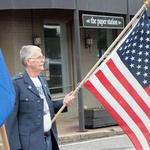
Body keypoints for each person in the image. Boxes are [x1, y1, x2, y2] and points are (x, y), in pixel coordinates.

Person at [5, 45, 74, 150]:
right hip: (29, 144)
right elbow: (10, 120)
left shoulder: (42, 80)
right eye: (39, 58)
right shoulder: (16, 83)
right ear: (28, 61)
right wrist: (15, 148)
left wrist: (63, 102)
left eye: (42, 57)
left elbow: (47, 107)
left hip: (49, 139)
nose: (43, 60)